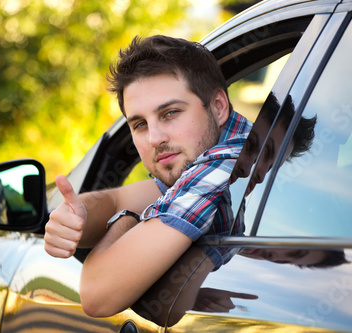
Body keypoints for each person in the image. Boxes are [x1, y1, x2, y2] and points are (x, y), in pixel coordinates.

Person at [43, 34, 252, 318]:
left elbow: (97, 296)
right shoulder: (212, 147)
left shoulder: (222, 163)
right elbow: (118, 198)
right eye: (140, 124)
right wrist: (75, 218)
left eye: (170, 113)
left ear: (218, 106)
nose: (154, 138)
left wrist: (128, 220)